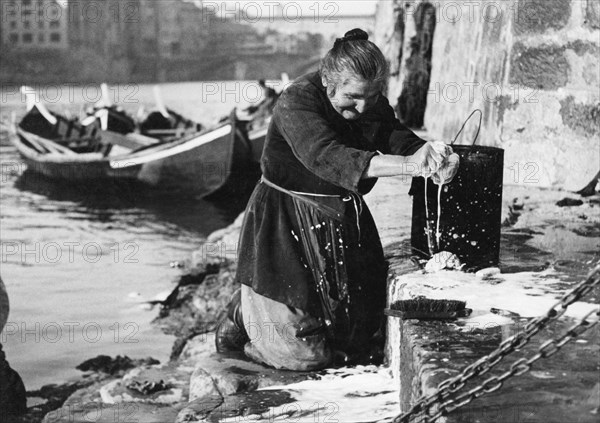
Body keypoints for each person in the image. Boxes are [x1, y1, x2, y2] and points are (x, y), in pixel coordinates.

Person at [216, 29, 459, 371]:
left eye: (372, 96)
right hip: (285, 219)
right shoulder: (296, 101)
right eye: (353, 97)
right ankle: (245, 315)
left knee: (357, 335)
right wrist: (407, 166)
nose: (363, 107)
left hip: (340, 215)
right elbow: (328, 156)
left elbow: (392, 132)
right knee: (304, 356)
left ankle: (270, 311)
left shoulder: (368, 101)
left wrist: (428, 153)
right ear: (329, 83)